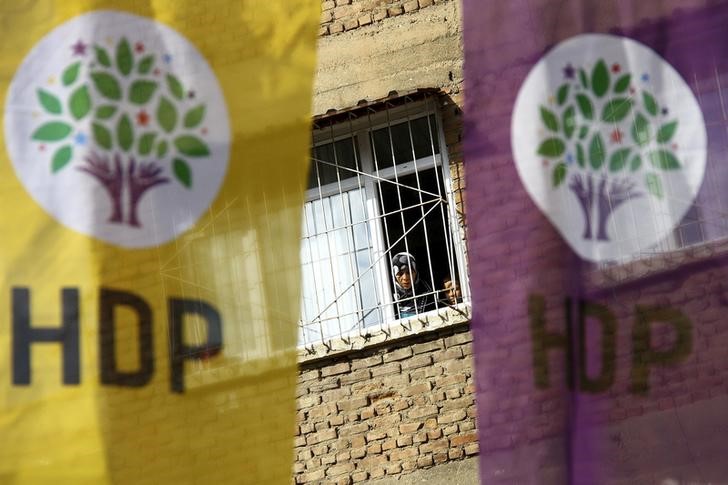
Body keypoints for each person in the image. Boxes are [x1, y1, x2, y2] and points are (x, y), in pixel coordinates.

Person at [391, 252, 434, 318]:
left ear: (416, 272)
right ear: (394, 275)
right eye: (400, 274)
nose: (405, 278)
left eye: (409, 272)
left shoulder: (427, 291)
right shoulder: (389, 295)